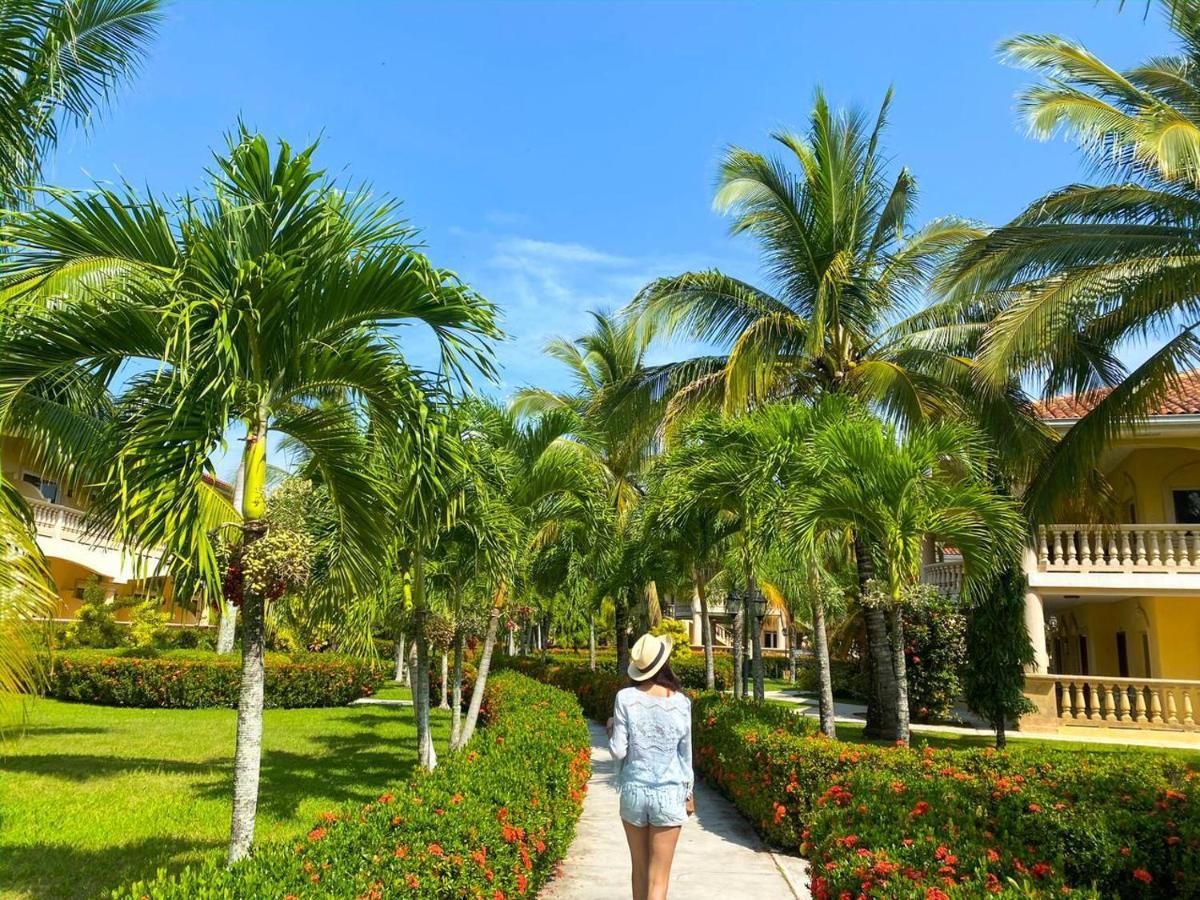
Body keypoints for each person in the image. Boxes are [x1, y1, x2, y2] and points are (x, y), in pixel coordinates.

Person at [606, 632, 694, 900]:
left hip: (634, 792)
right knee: (659, 881)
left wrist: (611, 729)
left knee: (640, 872)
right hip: (669, 794)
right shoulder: (681, 702)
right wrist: (689, 794)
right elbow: (685, 755)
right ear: (665, 664)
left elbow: (618, 750)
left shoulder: (625, 698)